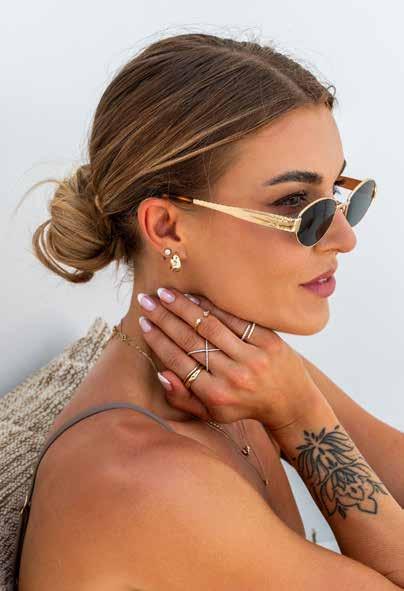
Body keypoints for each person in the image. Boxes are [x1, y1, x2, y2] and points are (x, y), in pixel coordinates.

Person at [14, 32, 404, 590]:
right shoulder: (146, 480)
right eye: (297, 204)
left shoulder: (242, 369)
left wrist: (294, 403)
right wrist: (300, 421)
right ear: (167, 227)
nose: (344, 238)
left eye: (341, 195)